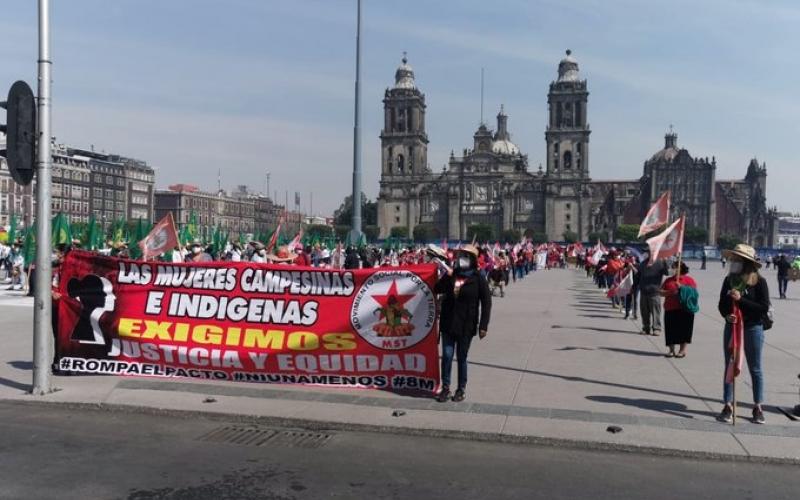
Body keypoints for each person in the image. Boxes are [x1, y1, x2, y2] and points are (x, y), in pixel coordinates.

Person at [717, 244, 769, 425]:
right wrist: (727, 315)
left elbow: (763, 308)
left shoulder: (759, 282)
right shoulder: (728, 281)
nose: (733, 262)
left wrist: (742, 300)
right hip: (732, 327)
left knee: (755, 368)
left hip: (753, 328)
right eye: (733, 259)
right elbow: (721, 304)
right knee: (729, 366)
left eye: (737, 260)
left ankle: (758, 406)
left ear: (747, 263)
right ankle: (728, 405)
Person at [434, 244, 491, 403]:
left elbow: (486, 302)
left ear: (472, 260)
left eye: (466, 256)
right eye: (461, 256)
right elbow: (437, 288)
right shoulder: (452, 274)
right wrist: (447, 275)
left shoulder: (478, 277)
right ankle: (445, 388)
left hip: (466, 324)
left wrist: (483, 326)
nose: (462, 259)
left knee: (461, 357)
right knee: (446, 355)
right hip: (448, 322)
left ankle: (461, 389)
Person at [660, 261, 697, 358]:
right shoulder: (668, 280)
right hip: (670, 308)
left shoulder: (689, 280)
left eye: (675, 267)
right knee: (670, 330)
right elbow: (660, 292)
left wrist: (682, 288)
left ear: (681, 268)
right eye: (672, 267)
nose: (672, 269)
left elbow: (694, 293)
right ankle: (671, 350)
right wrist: (671, 292)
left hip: (685, 309)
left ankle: (682, 350)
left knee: (684, 331)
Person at [638, 254, 668, 336]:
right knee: (644, 312)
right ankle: (646, 328)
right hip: (643, 291)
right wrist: (634, 287)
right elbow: (638, 275)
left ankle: (656, 328)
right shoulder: (643, 263)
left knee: (655, 312)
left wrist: (665, 262)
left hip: (654, 292)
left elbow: (667, 272)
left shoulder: (660, 263)